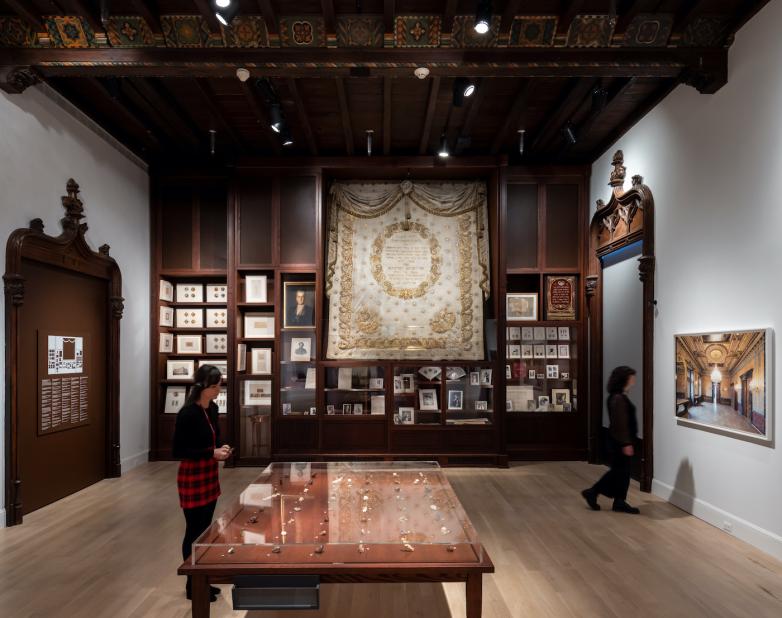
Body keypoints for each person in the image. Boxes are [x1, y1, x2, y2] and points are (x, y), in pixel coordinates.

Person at [172, 364, 232, 601]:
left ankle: (202, 579)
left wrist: (221, 448)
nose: (218, 390)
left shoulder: (212, 408)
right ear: (203, 387)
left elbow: (214, 438)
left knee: (206, 530)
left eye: (219, 386)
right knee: (194, 530)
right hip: (193, 475)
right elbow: (179, 450)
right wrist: (211, 452)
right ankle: (192, 585)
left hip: (209, 474)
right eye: (215, 386)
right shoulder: (188, 414)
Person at [581, 366, 640, 514]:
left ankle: (618, 501)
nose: (634, 381)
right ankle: (593, 492)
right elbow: (620, 423)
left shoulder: (618, 396)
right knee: (619, 472)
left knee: (621, 472)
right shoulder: (618, 398)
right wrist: (626, 443)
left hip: (619, 440)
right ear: (624, 379)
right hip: (620, 442)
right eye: (632, 378)